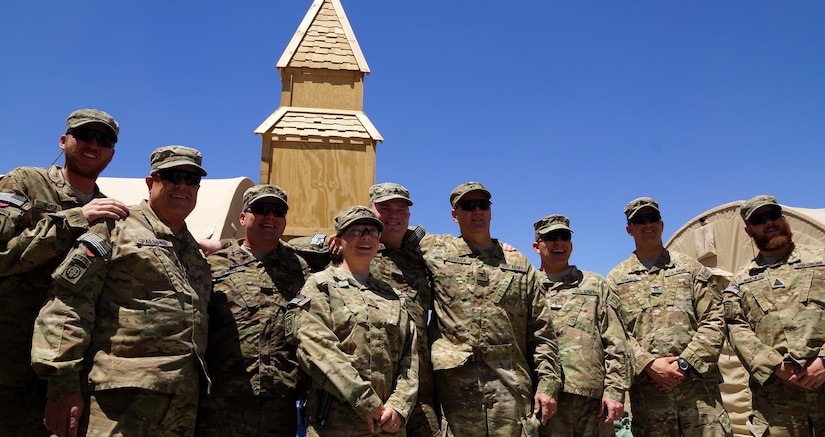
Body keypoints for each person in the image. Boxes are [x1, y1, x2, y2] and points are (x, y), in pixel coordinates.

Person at [31, 146, 211, 437]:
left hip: (181, 404)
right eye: (173, 176)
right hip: (115, 403)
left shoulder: (194, 252)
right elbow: (67, 304)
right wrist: (61, 386)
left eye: (191, 180)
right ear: (151, 182)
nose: (183, 185)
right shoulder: (115, 228)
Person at [0, 108, 128, 436]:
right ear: (63, 140)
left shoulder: (110, 213)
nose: (93, 144)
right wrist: (76, 218)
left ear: (112, 154)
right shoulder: (26, 182)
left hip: (61, 370)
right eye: (85, 135)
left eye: (104, 140)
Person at [420, 181, 560, 437]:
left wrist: (548, 385)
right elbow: (389, 231)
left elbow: (542, 330)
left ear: (490, 211)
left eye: (482, 205)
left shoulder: (518, 264)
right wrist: (333, 241)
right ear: (455, 215)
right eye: (468, 206)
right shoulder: (435, 249)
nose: (477, 211)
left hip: (510, 391)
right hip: (454, 395)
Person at [606, 197, 731, 437]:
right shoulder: (616, 279)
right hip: (651, 398)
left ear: (662, 224)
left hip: (699, 395)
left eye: (652, 218)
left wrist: (686, 363)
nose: (647, 224)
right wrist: (649, 364)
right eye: (639, 220)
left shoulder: (691, 269)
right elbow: (615, 333)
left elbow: (715, 317)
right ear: (629, 229)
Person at [197, 184, 311, 436]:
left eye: (278, 211)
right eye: (261, 209)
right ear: (243, 217)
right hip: (221, 402)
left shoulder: (299, 267)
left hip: (279, 403)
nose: (270, 217)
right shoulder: (213, 264)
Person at [295, 205, 418, 436]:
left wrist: (399, 406)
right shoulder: (321, 286)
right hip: (336, 424)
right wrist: (365, 401)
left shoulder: (393, 296)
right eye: (356, 230)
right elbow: (315, 348)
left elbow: (409, 360)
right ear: (338, 241)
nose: (365, 237)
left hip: (388, 426)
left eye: (372, 231)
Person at [723, 195, 825, 435]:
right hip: (776, 403)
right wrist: (774, 365)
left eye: (773, 215)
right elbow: (736, 328)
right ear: (749, 231)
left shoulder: (820, 261)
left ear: (784, 218)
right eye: (759, 219)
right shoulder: (741, 280)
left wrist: (824, 360)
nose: (769, 223)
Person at [531, 214, 631, 437]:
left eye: (564, 237)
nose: (559, 243)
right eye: (551, 237)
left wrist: (615, 390)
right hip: (543, 402)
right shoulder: (528, 286)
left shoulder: (594, 284)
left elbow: (616, 341)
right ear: (537, 246)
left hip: (593, 404)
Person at [368, 182, 439, 436]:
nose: (393, 215)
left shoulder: (423, 259)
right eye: (384, 208)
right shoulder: (357, 252)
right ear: (370, 211)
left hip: (421, 390)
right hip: (375, 393)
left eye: (401, 209)